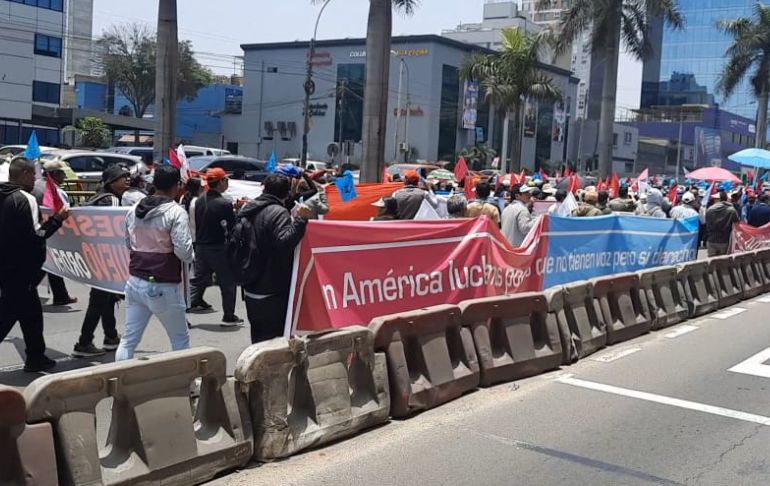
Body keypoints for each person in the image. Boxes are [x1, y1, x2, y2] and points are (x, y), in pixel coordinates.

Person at [116, 165, 195, 361]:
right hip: (164, 284)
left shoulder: (133, 209)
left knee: (128, 340)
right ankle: (187, 384)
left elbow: (128, 243)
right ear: (177, 186)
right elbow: (184, 252)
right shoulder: (176, 212)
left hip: (135, 281)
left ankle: (118, 382)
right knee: (180, 339)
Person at [0, 157, 69, 372]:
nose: (36, 179)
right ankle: (36, 356)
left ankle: (36, 356)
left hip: (5, 265)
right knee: (9, 313)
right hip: (22, 268)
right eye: (34, 174)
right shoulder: (24, 198)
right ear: (25, 174)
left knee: (31, 314)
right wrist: (57, 220)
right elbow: (37, 234)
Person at [238, 173, 312, 343]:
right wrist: (301, 220)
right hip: (271, 288)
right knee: (274, 342)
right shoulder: (278, 213)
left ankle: (254, 368)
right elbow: (284, 242)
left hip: (250, 284)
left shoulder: (248, 208)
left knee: (257, 338)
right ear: (286, 193)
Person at [73, 165, 128, 357]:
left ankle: (111, 336)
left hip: (94, 255)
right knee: (98, 300)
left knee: (107, 298)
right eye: (123, 177)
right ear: (112, 182)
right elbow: (112, 233)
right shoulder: (111, 200)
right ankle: (84, 342)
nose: (127, 180)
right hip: (105, 258)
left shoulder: (96, 197)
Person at [188, 168, 242, 324]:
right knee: (228, 282)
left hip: (201, 247)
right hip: (218, 248)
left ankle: (183, 309)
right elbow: (231, 228)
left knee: (198, 281)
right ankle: (229, 315)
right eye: (226, 180)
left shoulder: (198, 201)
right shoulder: (224, 203)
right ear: (220, 182)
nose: (227, 182)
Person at [31, 160, 77, 306]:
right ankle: (26, 290)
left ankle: (61, 295)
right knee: (48, 263)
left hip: (39, 230)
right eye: (62, 173)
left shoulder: (36, 185)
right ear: (55, 174)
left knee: (51, 263)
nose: (64, 176)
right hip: (53, 231)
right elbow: (64, 212)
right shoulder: (57, 192)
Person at [705, 190, 740, 256]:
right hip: (725, 240)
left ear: (719, 199)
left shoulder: (710, 210)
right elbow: (737, 222)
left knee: (712, 263)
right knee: (723, 263)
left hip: (711, 240)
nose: (714, 200)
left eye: (715, 199)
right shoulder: (731, 210)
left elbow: (706, 223)